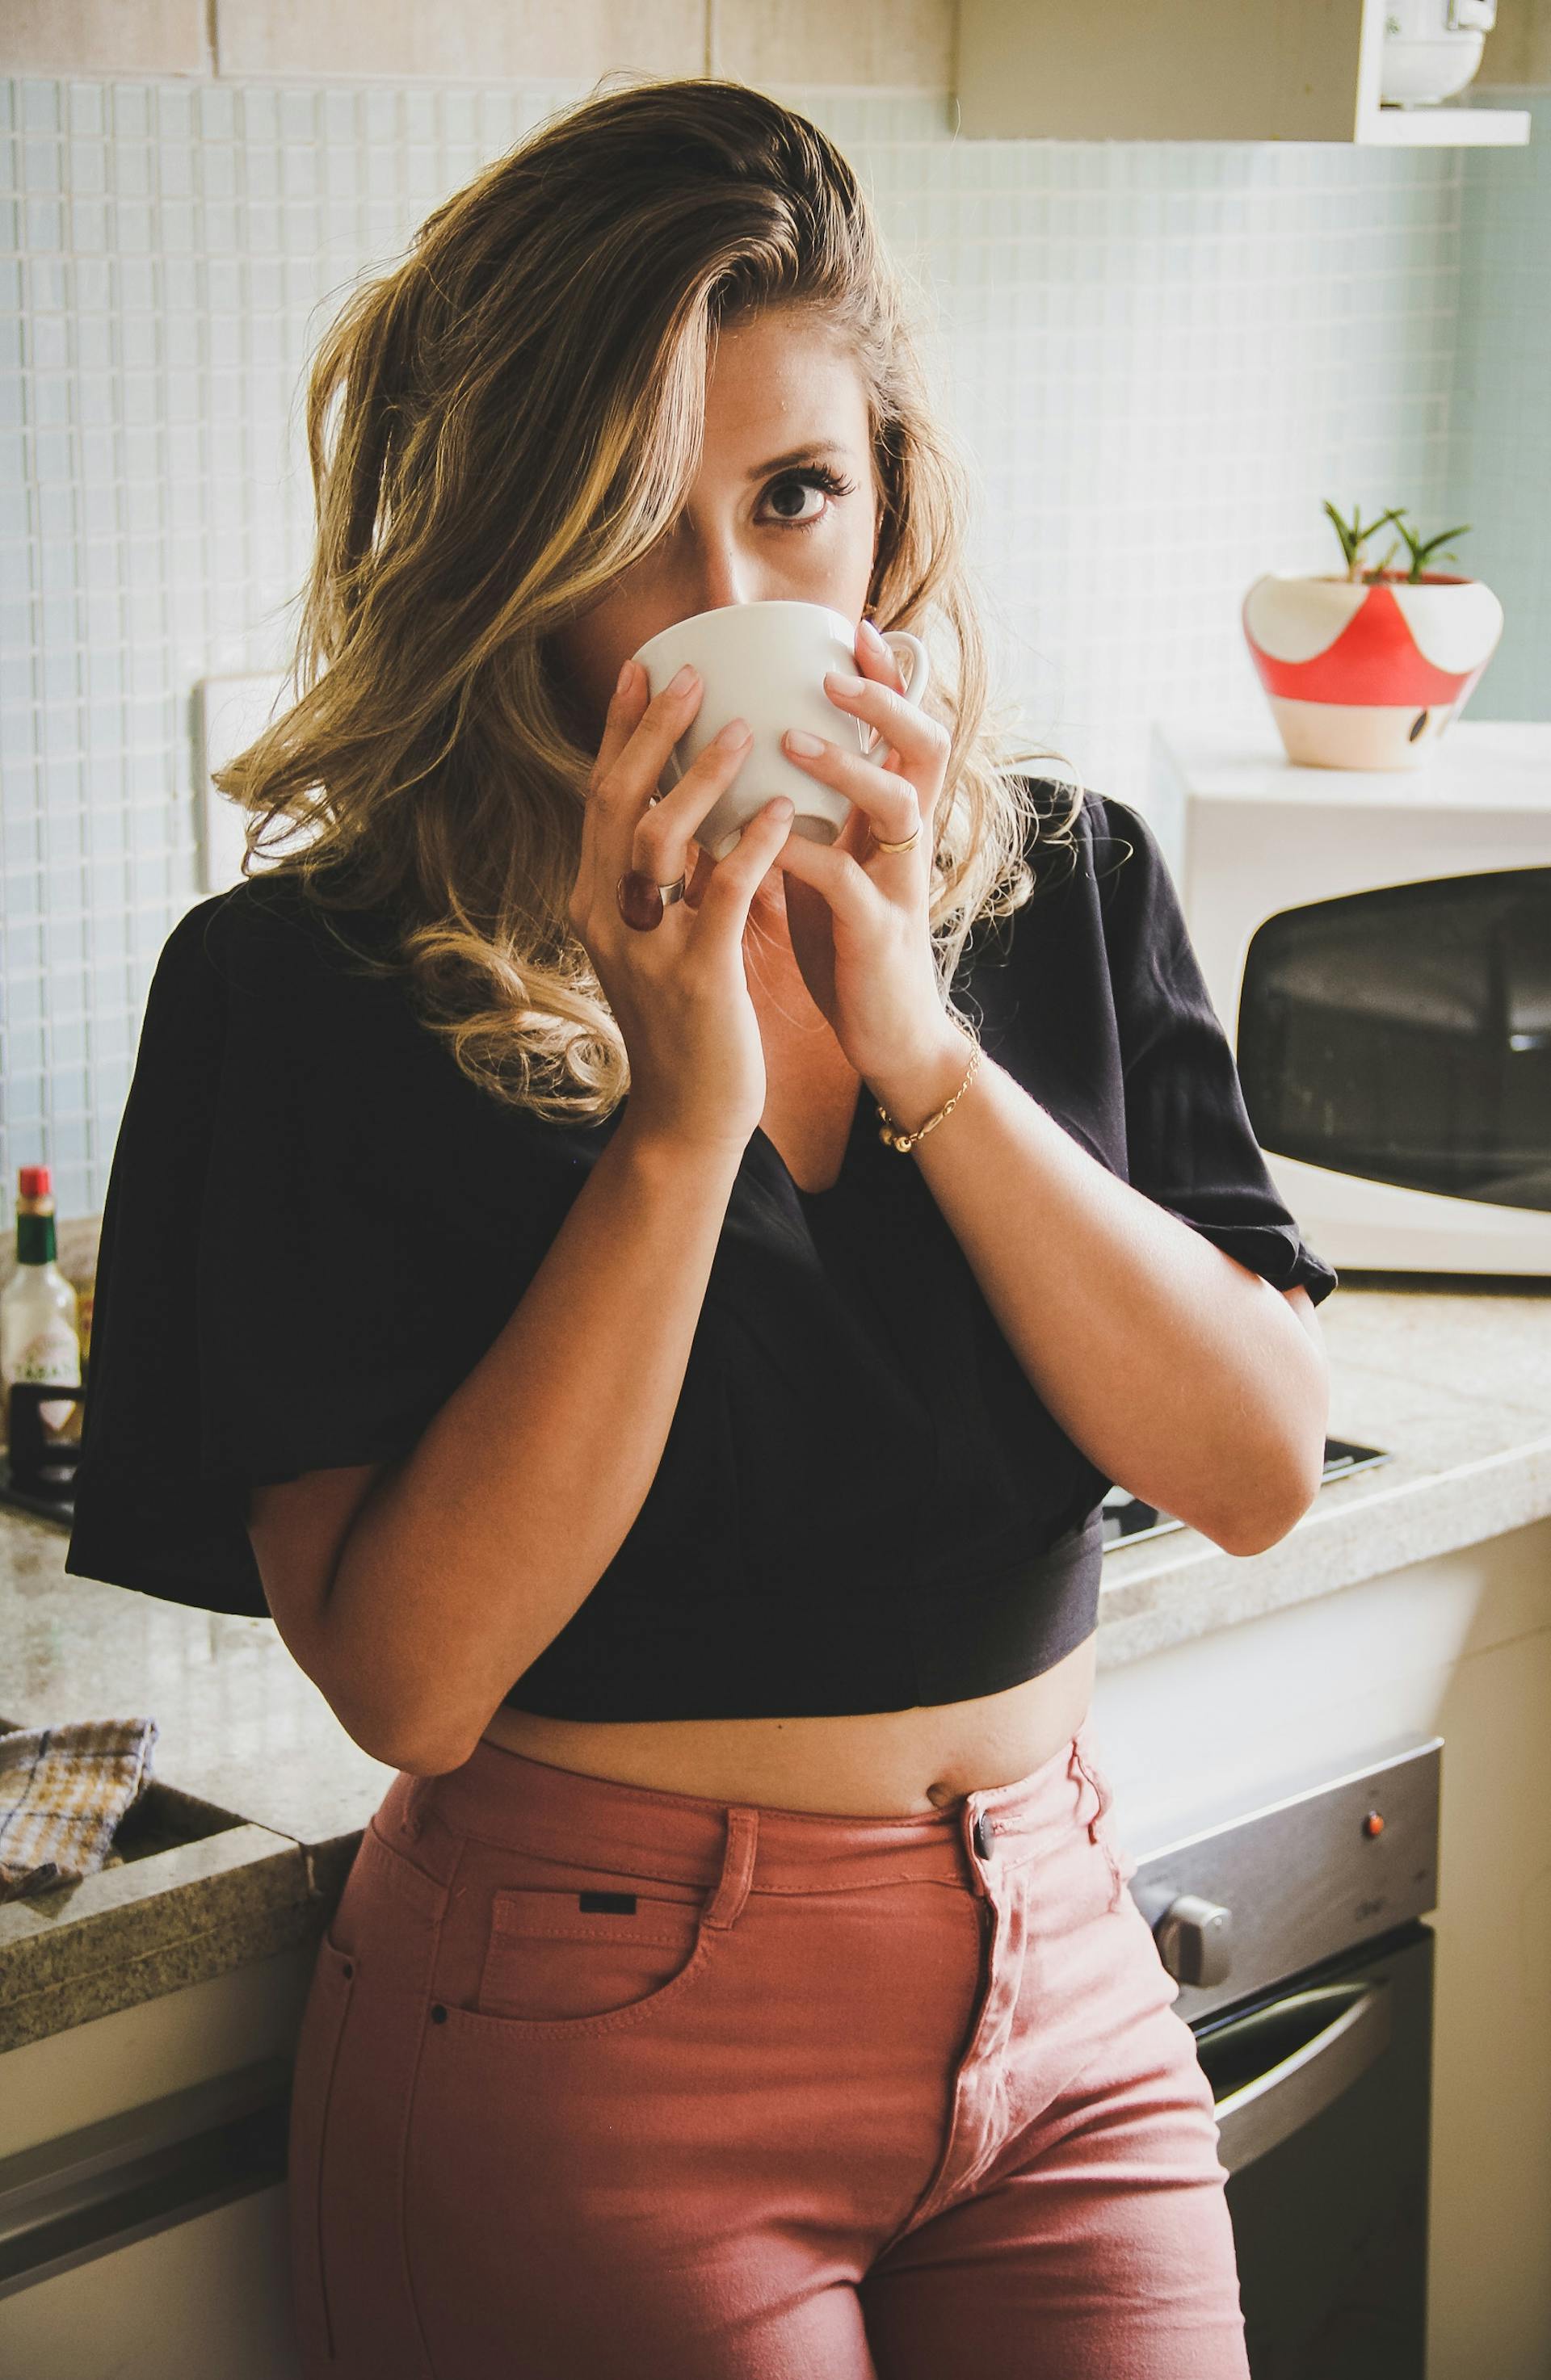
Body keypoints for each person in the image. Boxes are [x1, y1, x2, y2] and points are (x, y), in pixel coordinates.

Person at [66, 77, 1337, 2380]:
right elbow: (411, 1678)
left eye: (796, 501)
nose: (730, 609)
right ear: (505, 541)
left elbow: (1254, 1466)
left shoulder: (1059, 882)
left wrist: (922, 1045)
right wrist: (683, 1125)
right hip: (580, 2026)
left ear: (892, 503)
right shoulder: (304, 991)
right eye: (634, 525)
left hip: (1054, 1973)